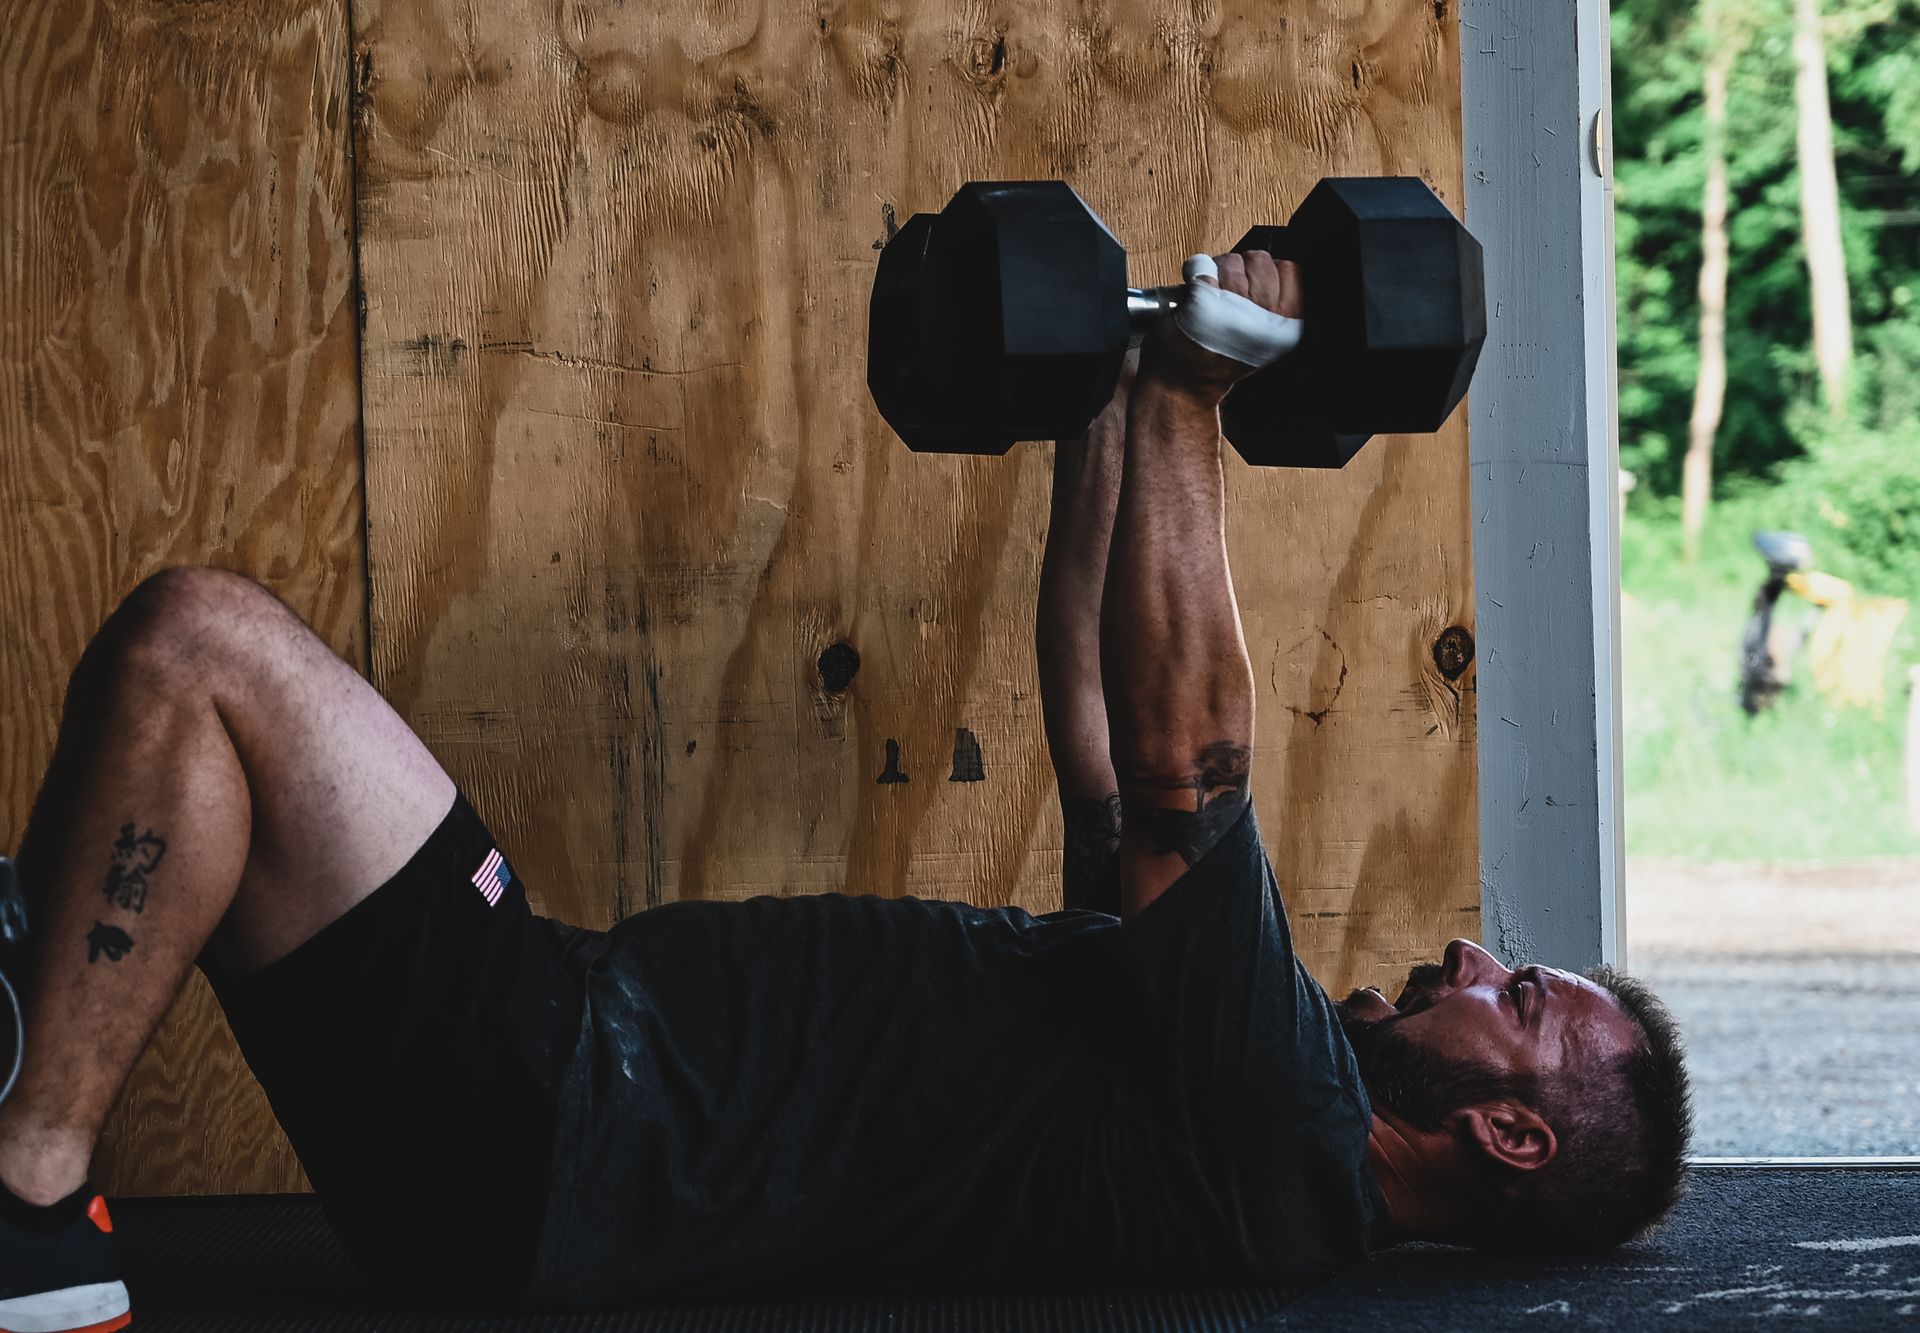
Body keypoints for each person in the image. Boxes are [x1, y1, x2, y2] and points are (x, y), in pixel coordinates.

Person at [0, 252, 1690, 1331]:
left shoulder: (1293, 1122)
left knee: (197, 638)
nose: (1478, 955)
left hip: (563, 1109)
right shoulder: (1232, 1100)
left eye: (1519, 995)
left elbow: (1189, 764)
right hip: (544, 1134)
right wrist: (1110, 411)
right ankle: (35, 1018)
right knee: (197, 744)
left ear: (1512, 1129)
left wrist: (1195, 389)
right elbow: (1103, 749)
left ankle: (29, 1202)